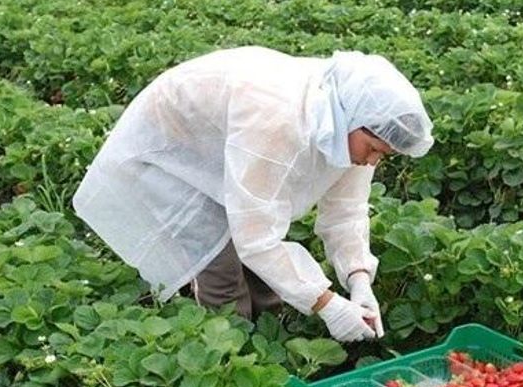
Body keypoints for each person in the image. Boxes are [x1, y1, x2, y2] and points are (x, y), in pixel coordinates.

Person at [72, 46, 434, 342]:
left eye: (383, 156)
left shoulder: (350, 125)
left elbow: (346, 212)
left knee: (263, 282)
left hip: (226, 142)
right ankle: (227, 363)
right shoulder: (278, 120)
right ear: (354, 120)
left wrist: (358, 278)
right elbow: (257, 238)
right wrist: (327, 305)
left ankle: (265, 356)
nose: (372, 161)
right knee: (221, 276)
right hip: (171, 154)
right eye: (373, 149)